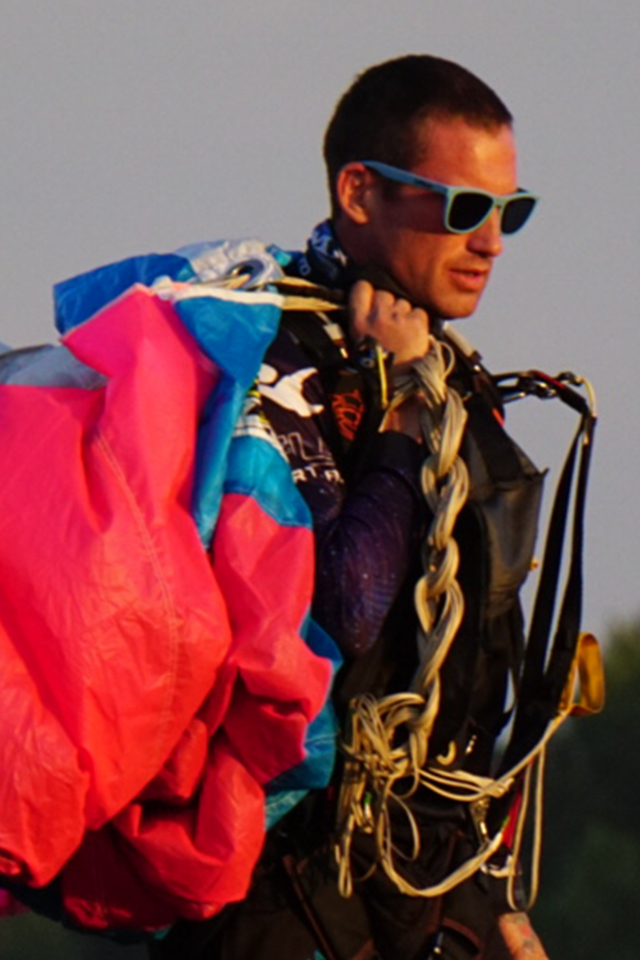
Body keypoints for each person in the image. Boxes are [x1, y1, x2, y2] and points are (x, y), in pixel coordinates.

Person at [150, 55, 554, 960]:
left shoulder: (453, 378)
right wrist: (403, 419)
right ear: (361, 192)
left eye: (509, 211)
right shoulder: (269, 363)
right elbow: (343, 619)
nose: (491, 240)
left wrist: (488, 894)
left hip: (425, 871)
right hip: (277, 887)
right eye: (464, 208)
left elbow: (474, 662)